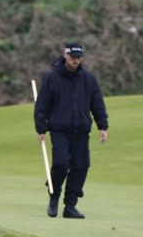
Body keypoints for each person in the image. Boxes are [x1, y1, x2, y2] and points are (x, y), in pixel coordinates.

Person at [34, 42, 109, 219]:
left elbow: (97, 103)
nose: (75, 61)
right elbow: (42, 105)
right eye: (73, 57)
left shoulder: (88, 79)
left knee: (81, 166)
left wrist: (103, 126)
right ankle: (54, 198)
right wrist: (41, 128)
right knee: (60, 164)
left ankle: (70, 205)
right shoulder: (52, 77)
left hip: (81, 131)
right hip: (59, 129)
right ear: (65, 56)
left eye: (78, 58)